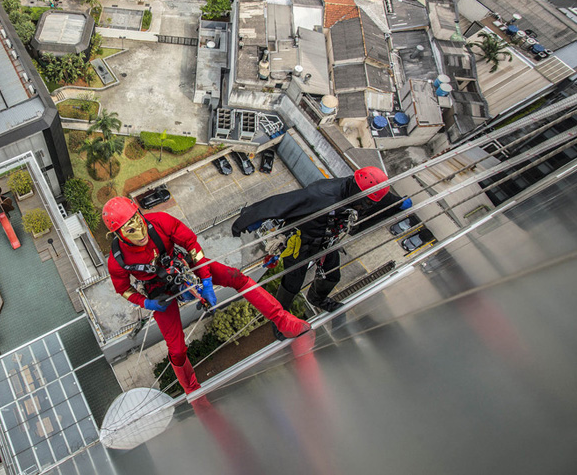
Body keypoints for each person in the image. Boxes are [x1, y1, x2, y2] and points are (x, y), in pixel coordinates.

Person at [103, 197, 311, 395]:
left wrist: (206, 280)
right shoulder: (118, 261)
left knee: (235, 277)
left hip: (182, 264)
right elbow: (123, 289)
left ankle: (284, 320)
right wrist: (146, 302)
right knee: (176, 349)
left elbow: (192, 246)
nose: (140, 231)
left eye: (138, 220)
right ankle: (191, 388)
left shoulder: (159, 222)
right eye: (130, 229)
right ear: (119, 234)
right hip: (158, 289)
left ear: (141, 214)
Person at [231, 167, 411, 315]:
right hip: (302, 240)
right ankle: (280, 316)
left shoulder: (365, 192)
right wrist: (250, 217)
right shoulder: (321, 195)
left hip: (326, 239)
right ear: (358, 194)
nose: (366, 208)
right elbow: (284, 202)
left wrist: (398, 204)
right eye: (366, 203)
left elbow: (382, 199)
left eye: (370, 204)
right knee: (293, 282)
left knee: (332, 276)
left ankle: (316, 299)